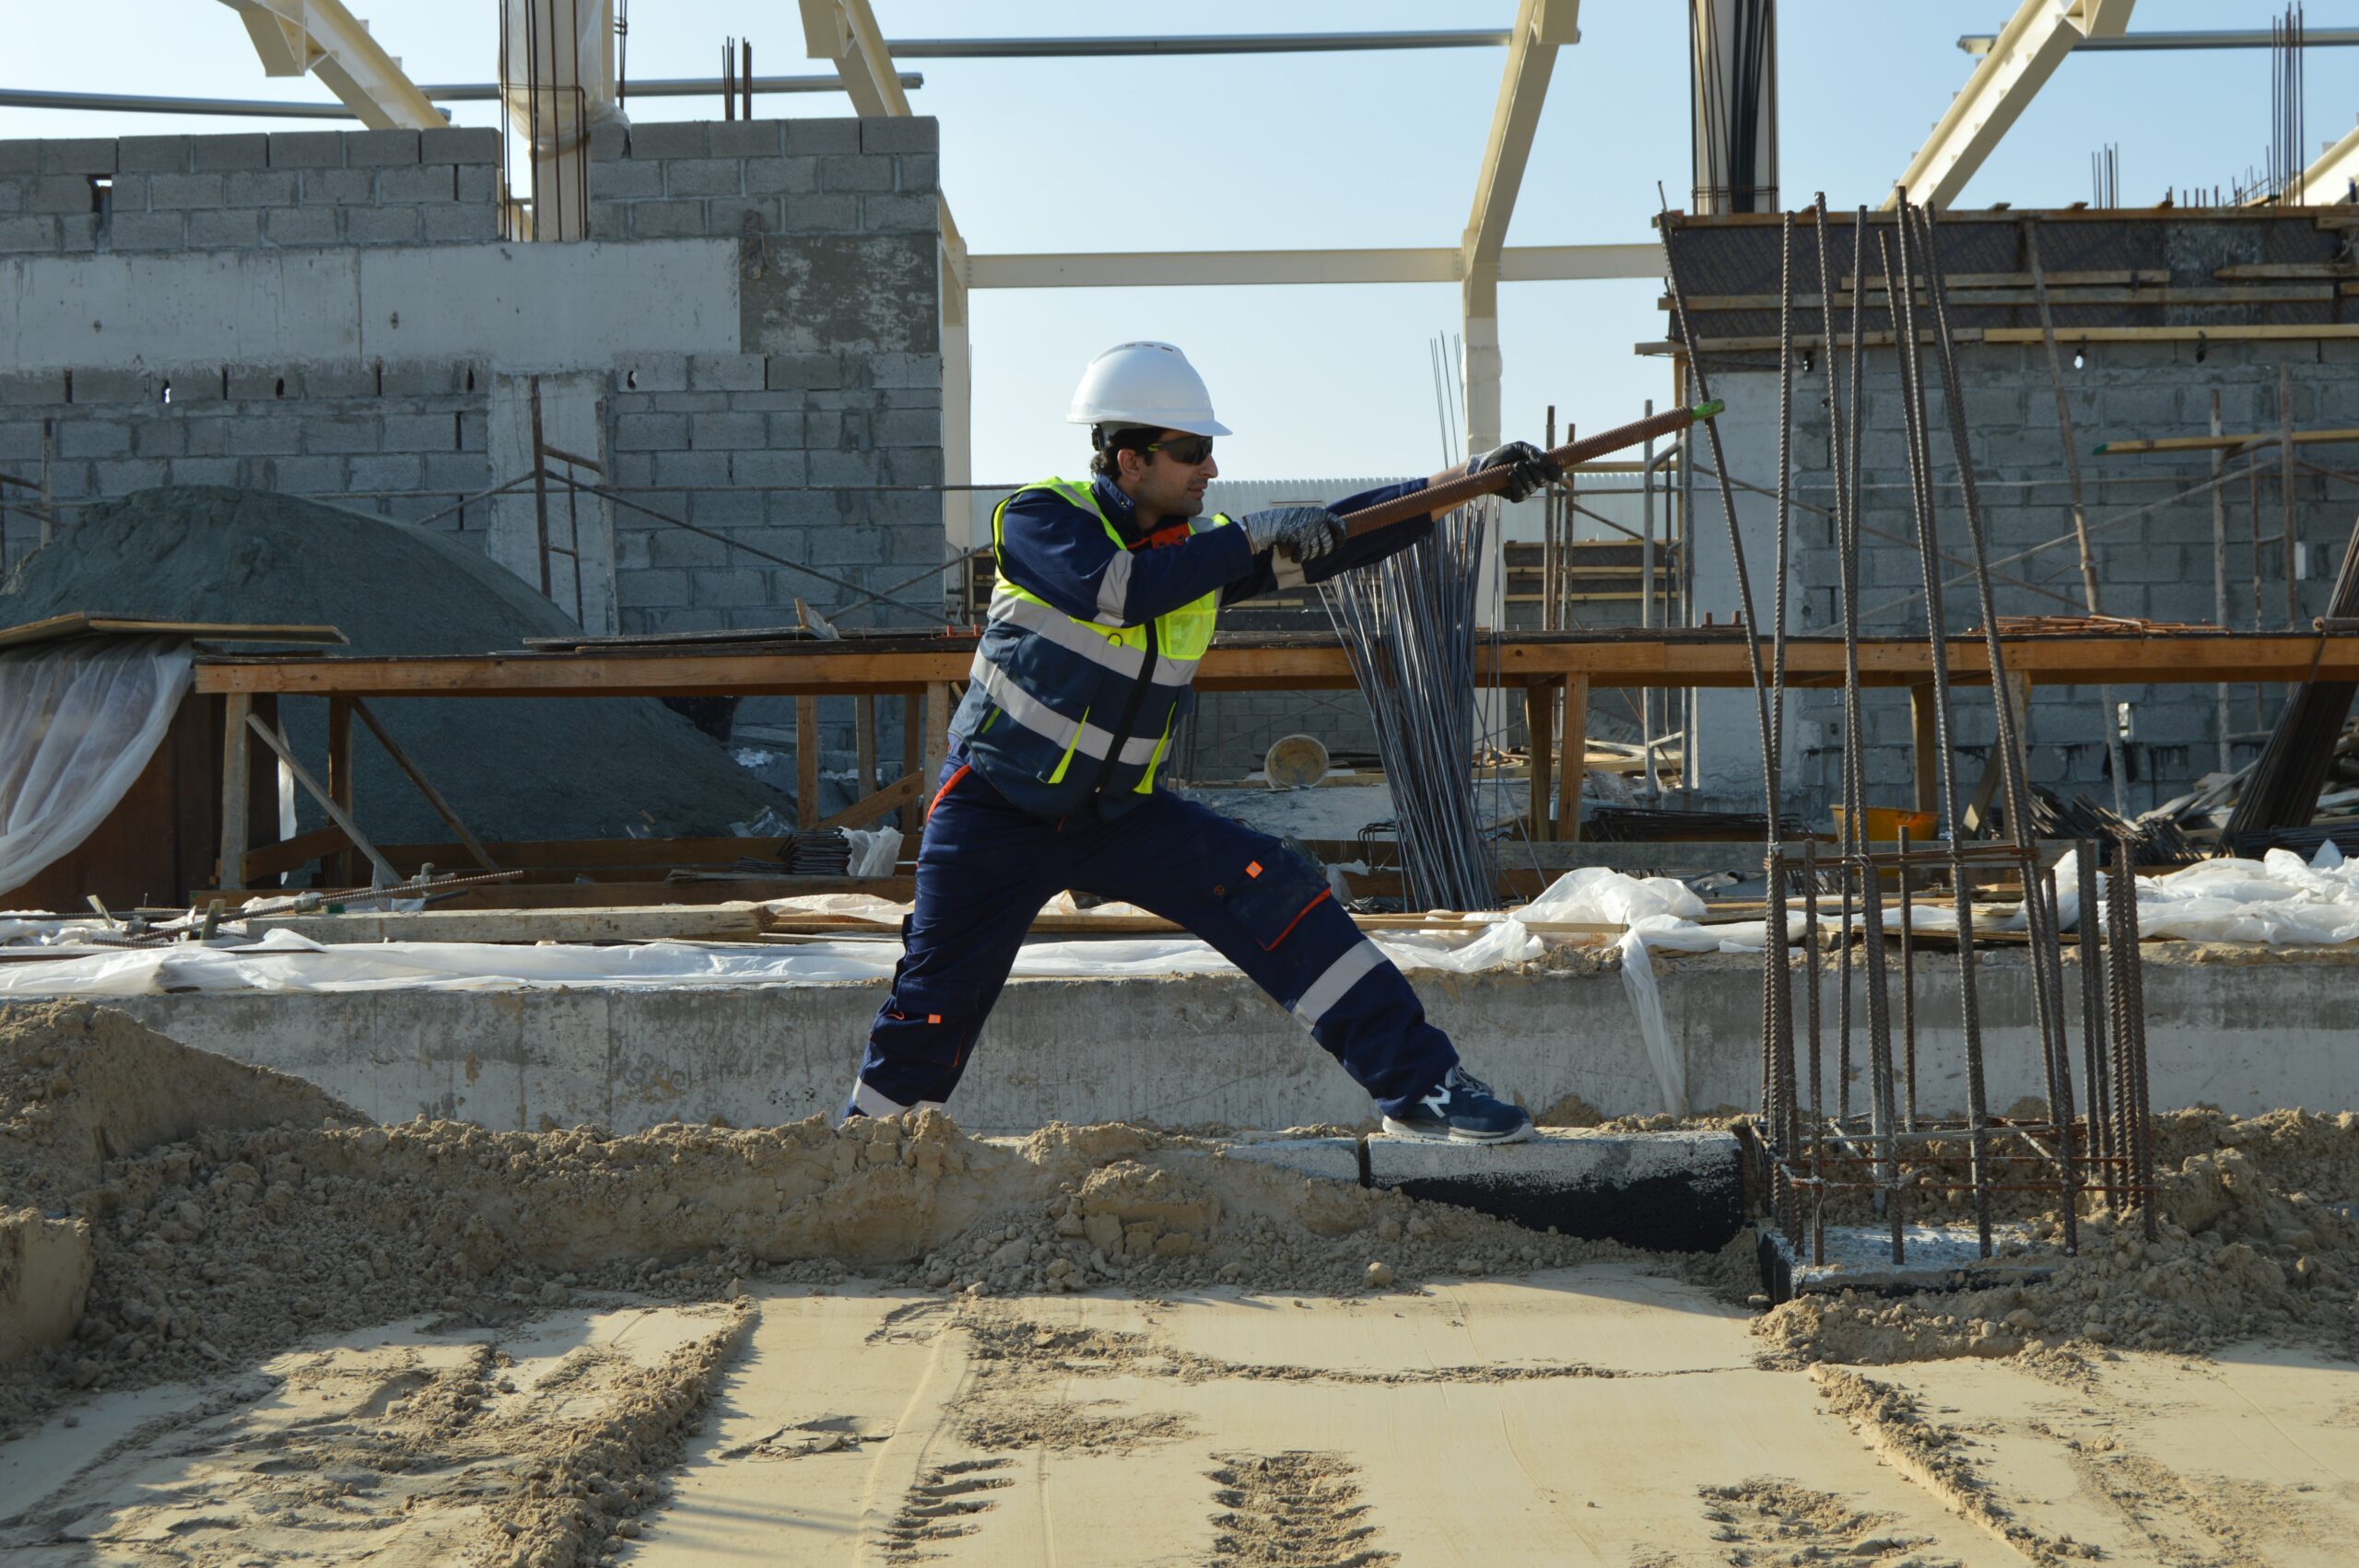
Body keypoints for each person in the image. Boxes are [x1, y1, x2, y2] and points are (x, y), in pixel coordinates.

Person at [846, 342, 1559, 1142]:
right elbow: (1117, 594)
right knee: (937, 997)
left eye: (1210, 452)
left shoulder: (1200, 550)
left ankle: (1423, 1090)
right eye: (1191, 453)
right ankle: (869, 1154)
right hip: (992, 810)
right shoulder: (1040, 520)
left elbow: (1346, 535)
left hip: (1117, 815)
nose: (1210, 469)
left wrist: (1466, 483)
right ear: (1130, 459)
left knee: (1278, 890)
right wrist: (1248, 538)